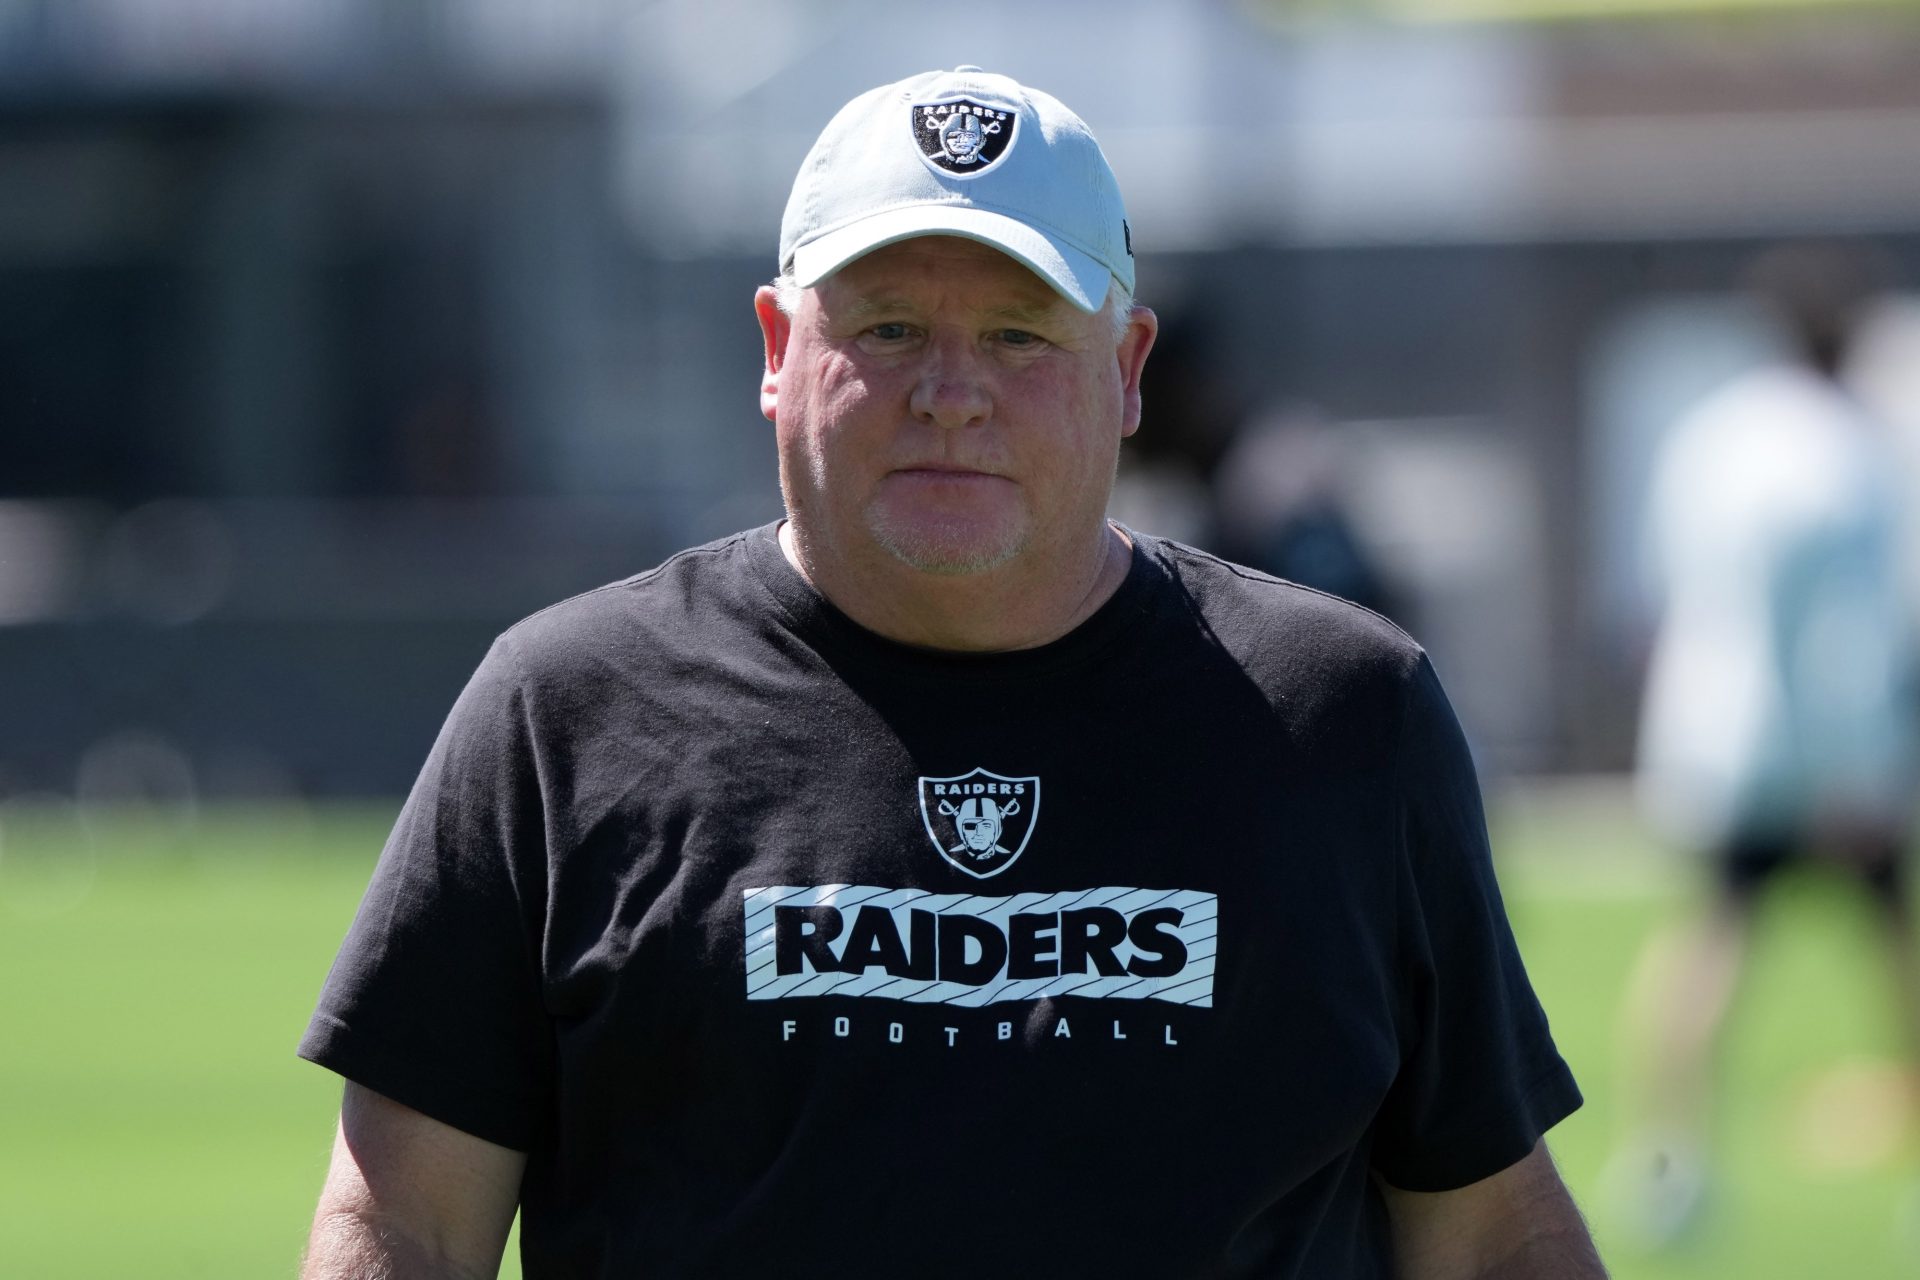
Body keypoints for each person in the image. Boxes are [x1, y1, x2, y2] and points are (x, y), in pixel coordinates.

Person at [298, 66, 1604, 1278]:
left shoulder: (1343, 715)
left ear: (1130, 368)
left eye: (1022, 337)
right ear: (774, 349)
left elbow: (1491, 1231)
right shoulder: (565, 712)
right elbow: (404, 1219)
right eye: (888, 328)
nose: (951, 392)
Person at [1611, 243, 1920, 1246]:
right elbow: (1841, 628)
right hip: (1822, 748)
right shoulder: (1847, 448)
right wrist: (1852, 766)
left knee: (1713, 936)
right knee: (1892, 949)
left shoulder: (1715, 432)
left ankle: (1664, 1160)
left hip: (1715, 732)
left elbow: (1664, 584)